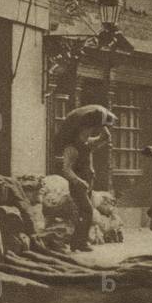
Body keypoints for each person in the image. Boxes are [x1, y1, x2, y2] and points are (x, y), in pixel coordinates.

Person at [55, 104, 117, 252]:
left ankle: (80, 242)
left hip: (87, 183)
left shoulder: (87, 144)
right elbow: (66, 170)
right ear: (79, 131)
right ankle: (78, 243)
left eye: (90, 129)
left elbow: (105, 137)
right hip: (78, 185)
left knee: (85, 213)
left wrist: (101, 123)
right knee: (87, 211)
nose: (89, 132)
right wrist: (78, 181)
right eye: (87, 130)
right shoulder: (71, 148)